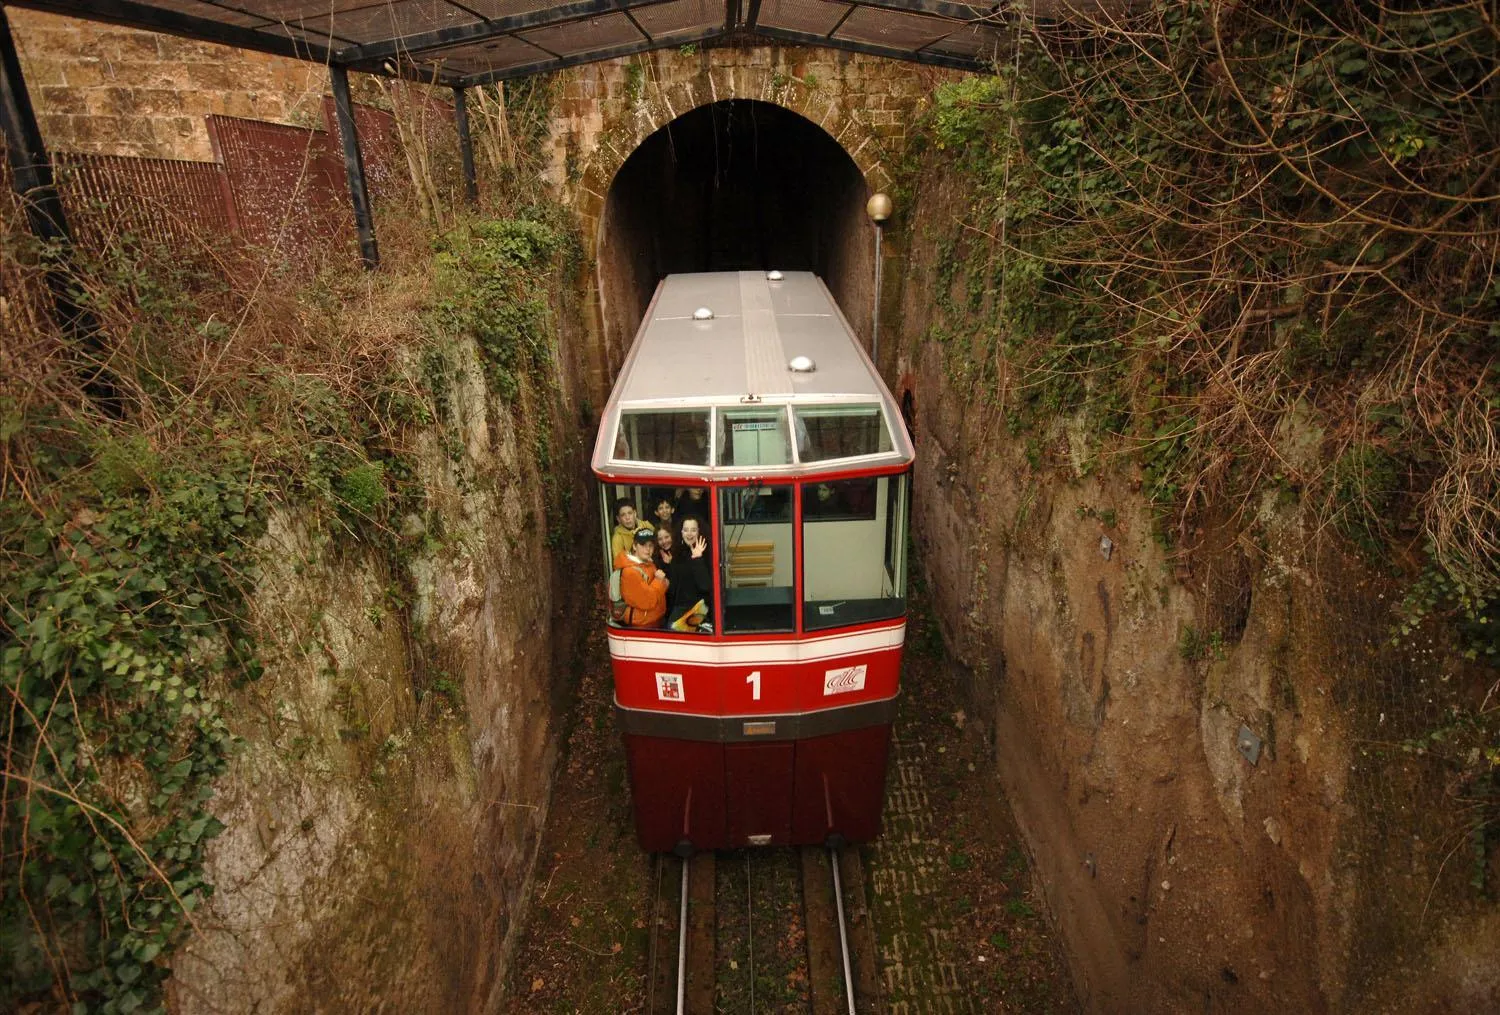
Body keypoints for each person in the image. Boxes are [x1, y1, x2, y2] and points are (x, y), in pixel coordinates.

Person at [613, 527, 670, 628]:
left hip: (655, 621)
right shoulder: (630, 572)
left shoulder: (649, 563)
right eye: (643, 545)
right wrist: (659, 581)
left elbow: (660, 587)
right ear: (634, 546)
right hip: (641, 626)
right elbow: (648, 601)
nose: (648, 549)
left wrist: (663, 582)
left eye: (651, 546)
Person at [666, 516, 713, 631]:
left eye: (693, 530)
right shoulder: (676, 554)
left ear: (699, 532)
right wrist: (668, 566)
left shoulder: (708, 552)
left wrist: (697, 558)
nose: (689, 534)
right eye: (686, 530)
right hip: (680, 609)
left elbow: (706, 586)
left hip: (700, 609)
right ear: (681, 532)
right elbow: (673, 590)